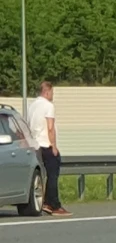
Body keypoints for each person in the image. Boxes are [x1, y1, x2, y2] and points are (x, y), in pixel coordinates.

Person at [27, 81, 69, 216]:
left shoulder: (32, 105)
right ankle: (53, 204)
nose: (52, 95)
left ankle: (43, 201)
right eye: (52, 93)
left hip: (35, 144)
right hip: (46, 144)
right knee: (52, 175)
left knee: (39, 175)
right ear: (47, 92)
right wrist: (54, 146)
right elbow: (50, 127)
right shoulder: (48, 106)